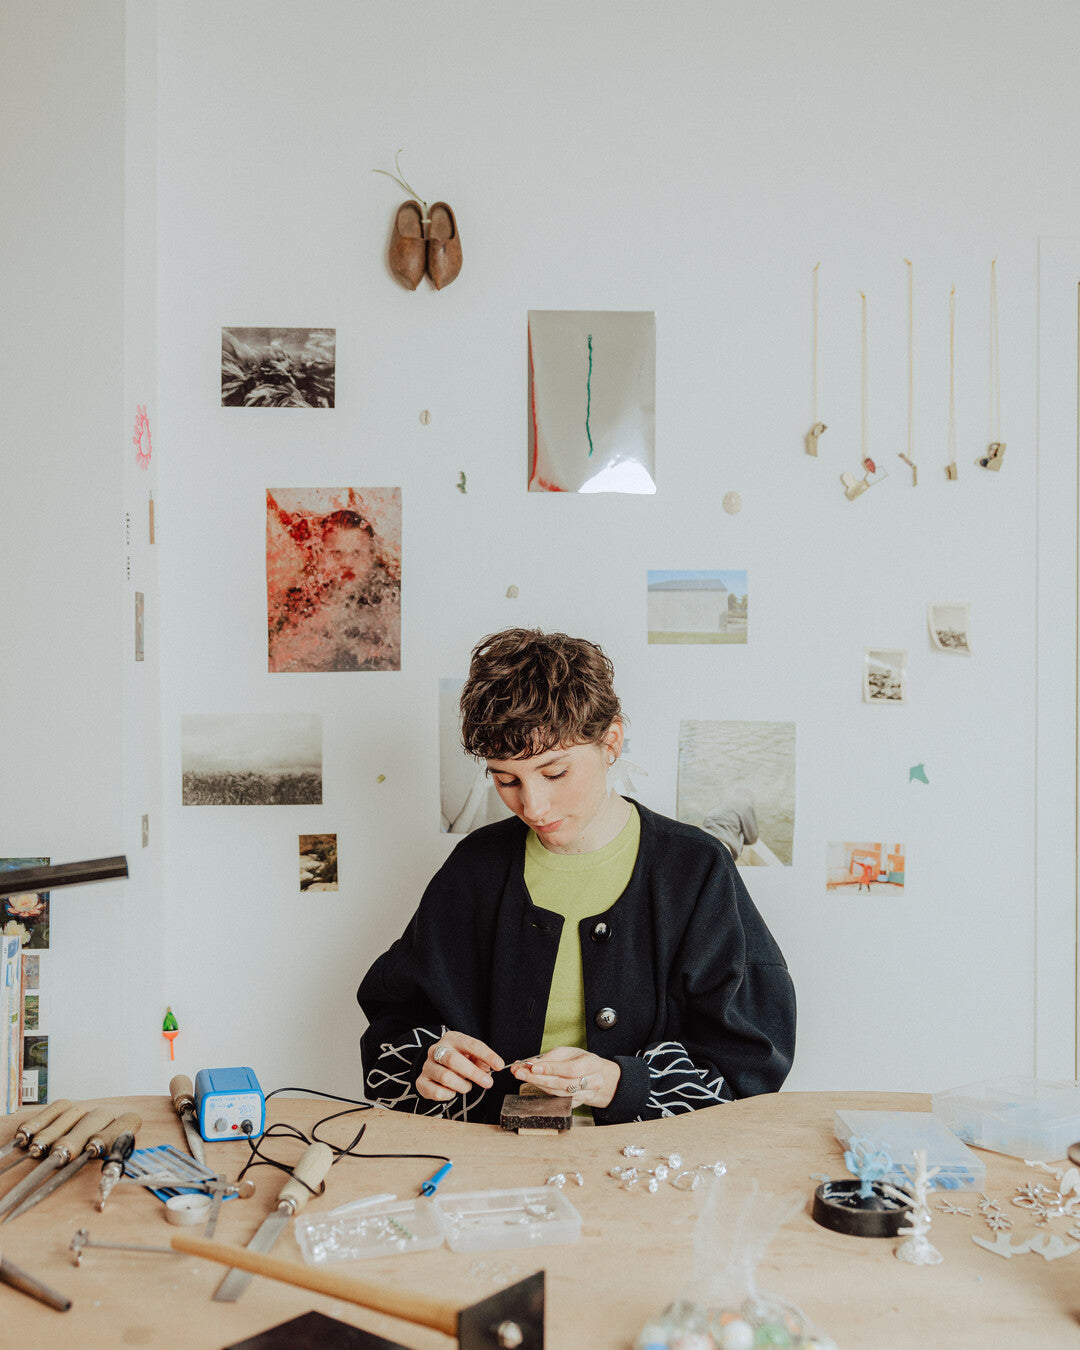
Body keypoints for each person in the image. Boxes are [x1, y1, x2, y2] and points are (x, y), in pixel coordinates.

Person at [357, 628, 796, 1125]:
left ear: (611, 740)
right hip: (497, 1163)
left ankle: (738, 812)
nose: (533, 806)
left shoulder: (698, 868)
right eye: (506, 779)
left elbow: (755, 1060)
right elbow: (391, 1026)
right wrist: (427, 1062)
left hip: (645, 1166)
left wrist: (623, 1083)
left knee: (722, 830)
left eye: (555, 772)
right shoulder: (473, 867)